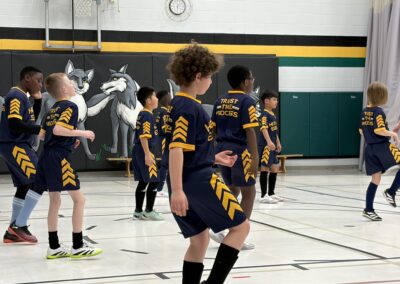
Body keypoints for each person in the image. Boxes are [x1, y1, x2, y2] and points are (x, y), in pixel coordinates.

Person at [167, 43, 250, 284]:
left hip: (186, 178)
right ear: (198, 76)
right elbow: (176, 148)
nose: (211, 82)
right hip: (198, 181)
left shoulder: (176, 105)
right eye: (210, 77)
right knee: (241, 228)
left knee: (200, 239)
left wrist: (212, 157)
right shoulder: (188, 107)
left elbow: (186, 148)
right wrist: (179, 190)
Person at [35, 73, 102, 258]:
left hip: (46, 156)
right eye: (70, 82)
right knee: (79, 200)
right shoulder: (70, 106)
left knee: (55, 202)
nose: (74, 84)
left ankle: (54, 247)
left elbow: (42, 135)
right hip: (59, 158)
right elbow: (58, 129)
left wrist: (69, 138)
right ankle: (78, 245)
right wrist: (83, 133)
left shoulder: (51, 109)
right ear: (64, 89)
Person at [210, 65, 259, 250]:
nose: (253, 81)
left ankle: (218, 226)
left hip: (222, 149)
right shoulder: (247, 101)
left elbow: (212, 129)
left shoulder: (220, 100)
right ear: (245, 81)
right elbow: (251, 132)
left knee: (233, 189)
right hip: (241, 151)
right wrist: (254, 159)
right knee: (249, 192)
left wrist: (211, 152)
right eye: (251, 78)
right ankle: (239, 235)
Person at [0, 66, 43, 243]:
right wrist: (40, 129)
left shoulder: (23, 96)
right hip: (14, 145)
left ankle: (12, 231)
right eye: (38, 81)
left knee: (25, 185)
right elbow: (15, 124)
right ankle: (19, 225)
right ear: (27, 78)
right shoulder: (15, 96)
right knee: (38, 179)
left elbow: (29, 120)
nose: (40, 85)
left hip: (14, 145)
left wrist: (38, 101)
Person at [359, 82, 400, 221]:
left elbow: (361, 131)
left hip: (369, 148)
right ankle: (391, 192)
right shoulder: (379, 112)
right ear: (382, 96)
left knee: (375, 179)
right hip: (381, 147)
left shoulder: (364, 111)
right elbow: (379, 130)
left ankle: (369, 209)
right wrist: (392, 134)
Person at [132, 86, 163, 221]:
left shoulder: (144, 114)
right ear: (148, 100)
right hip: (144, 150)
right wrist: (147, 154)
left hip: (139, 150)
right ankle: (148, 211)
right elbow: (144, 136)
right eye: (155, 96)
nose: (157, 99)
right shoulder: (146, 115)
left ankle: (138, 211)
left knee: (144, 181)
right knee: (155, 180)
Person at [258, 90, 284, 204]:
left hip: (273, 146)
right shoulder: (264, 115)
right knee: (265, 168)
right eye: (274, 99)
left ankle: (271, 193)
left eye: (276, 100)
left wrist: (278, 142)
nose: (276, 102)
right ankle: (263, 195)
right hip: (266, 147)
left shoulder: (272, 115)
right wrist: (269, 142)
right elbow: (263, 128)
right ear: (266, 101)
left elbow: (274, 131)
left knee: (275, 168)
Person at [155, 90, 172, 197]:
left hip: (161, 140)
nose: (171, 98)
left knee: (164, 166)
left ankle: (159, 188)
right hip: (164, 141)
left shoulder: (161, 111)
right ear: (165, 99)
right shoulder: (165, 112)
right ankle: (159, 188)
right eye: (169, 96)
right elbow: (165, 129)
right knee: (164, 166)